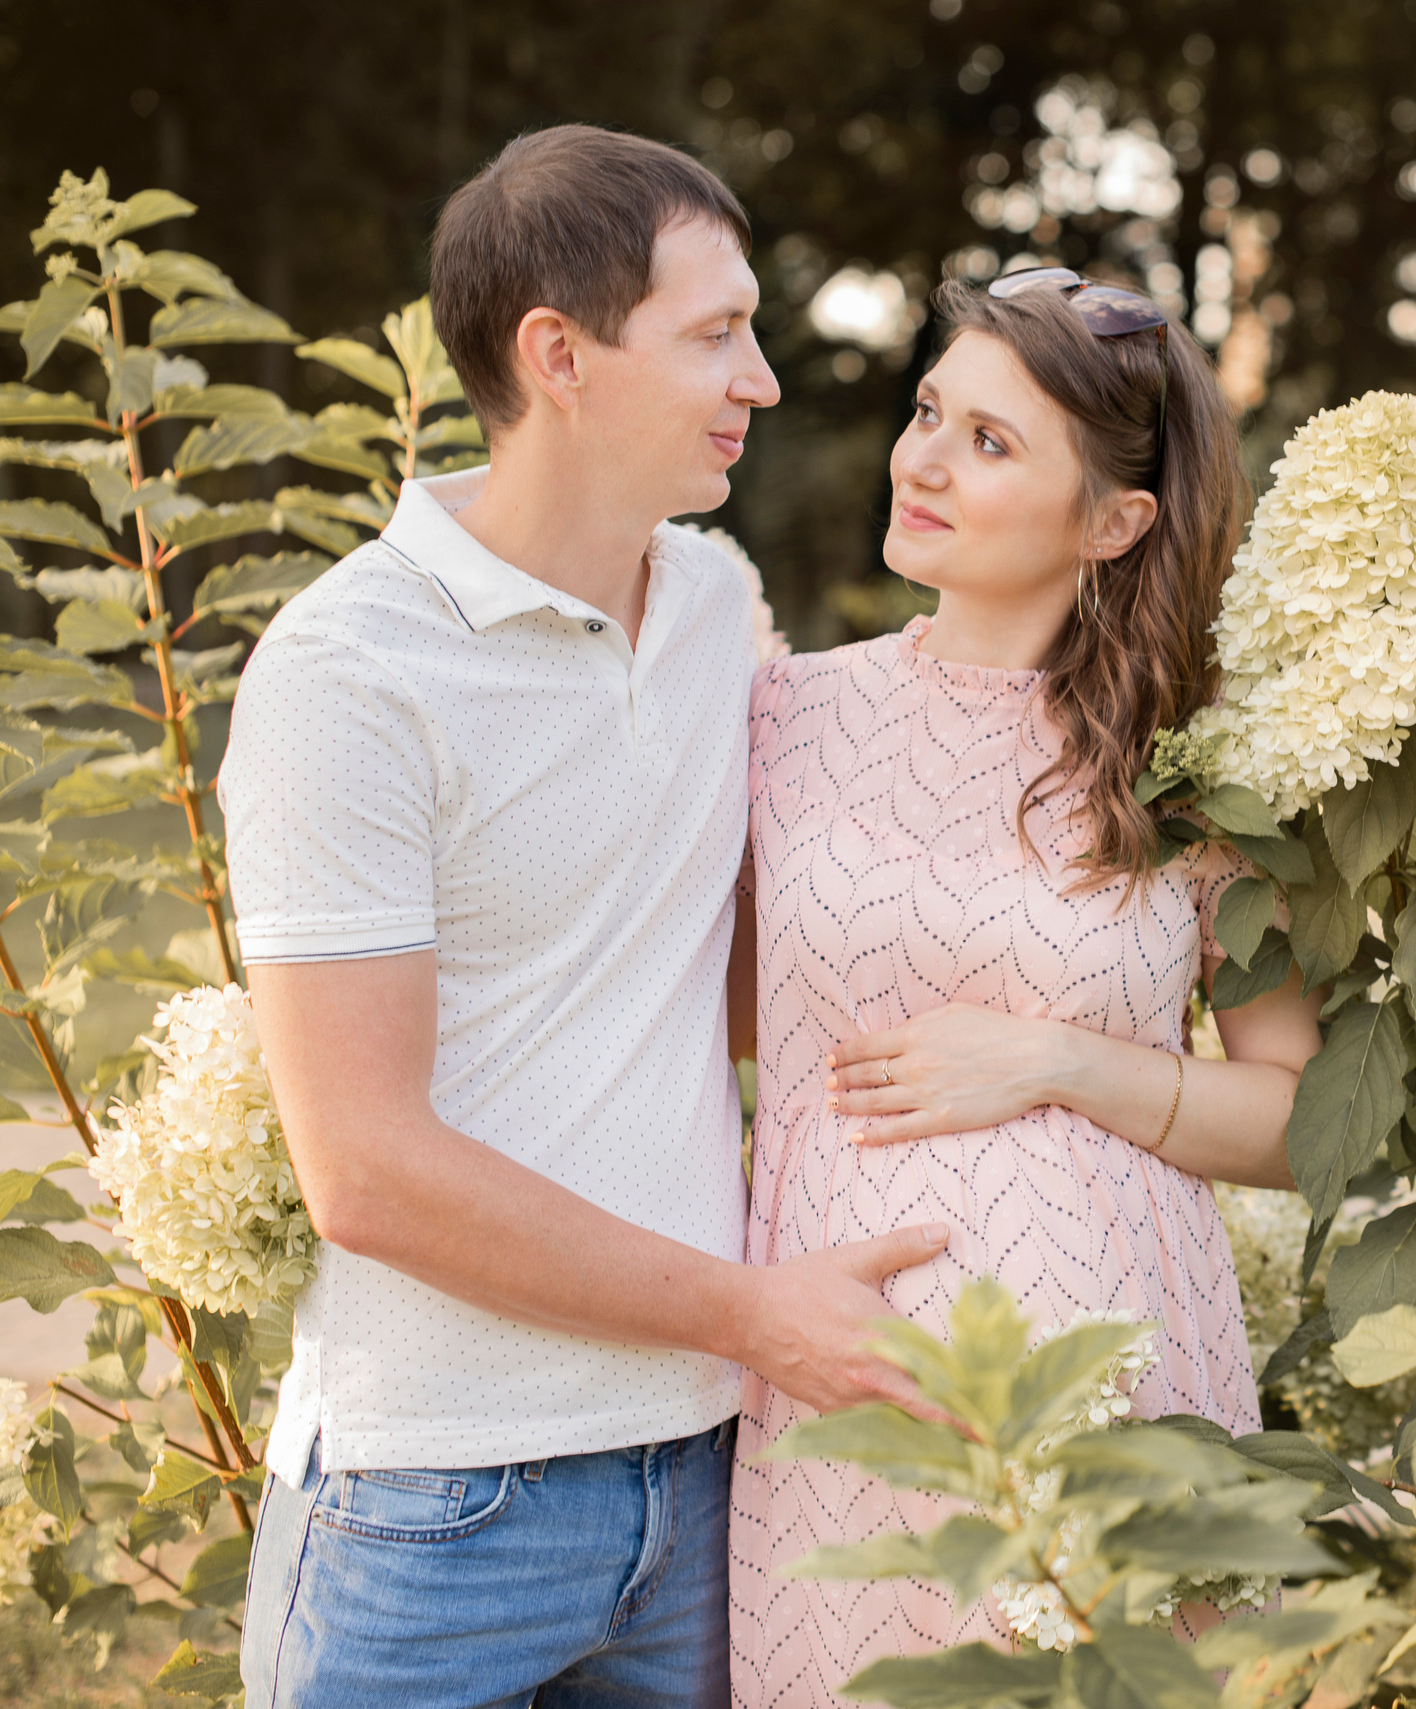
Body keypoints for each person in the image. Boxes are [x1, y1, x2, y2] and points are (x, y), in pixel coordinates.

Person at [224, 125, 949, 1708]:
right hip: (434, 1508)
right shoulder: (347, 676)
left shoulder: (711, 605)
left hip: (694, 1487)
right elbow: (366, 1170)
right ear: (557, 354)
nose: (760, 378)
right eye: (713, 336)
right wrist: (759, 1311)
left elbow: (734, 977)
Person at [725, 270, 1325, 1705]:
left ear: (1115, 522)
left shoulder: (1196, 772)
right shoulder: (777, 712)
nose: (922, 459)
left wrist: (1058, 1060)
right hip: (837, 1414)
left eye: (991, 443)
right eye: (932, 411)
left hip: (1128, 1412)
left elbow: (1309, 1120)